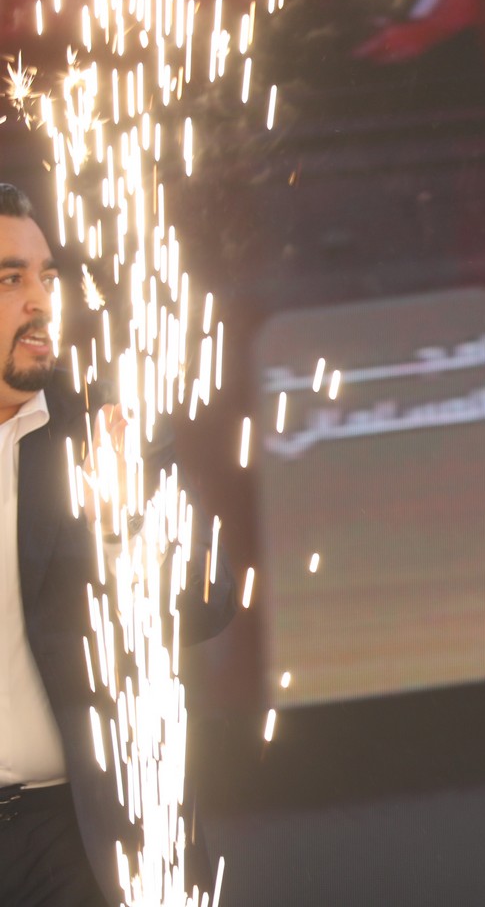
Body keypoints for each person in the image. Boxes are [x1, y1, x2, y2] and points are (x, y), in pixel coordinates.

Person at [0, 182, 235, 906]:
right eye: (10, 280)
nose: (40, 301)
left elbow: (207, 599)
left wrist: (127, 521)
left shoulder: (103, 420)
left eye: (47, 277)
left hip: (80, 836)